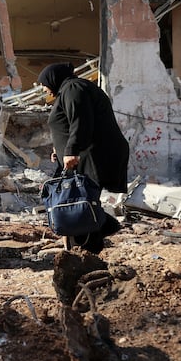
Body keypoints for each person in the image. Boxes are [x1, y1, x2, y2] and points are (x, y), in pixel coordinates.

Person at [38, 63, 128, 253]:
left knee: (80, 202)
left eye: (44, 83)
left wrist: (71, 150)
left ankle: (90, 248)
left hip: (92, 155)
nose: (44, 88)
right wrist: (61, 150)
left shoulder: (73, 88)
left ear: (53, 79)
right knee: (78, 200)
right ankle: (98, 232)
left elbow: (81, 120)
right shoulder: (69, 90)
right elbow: (68, 125)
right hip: (84, 155)